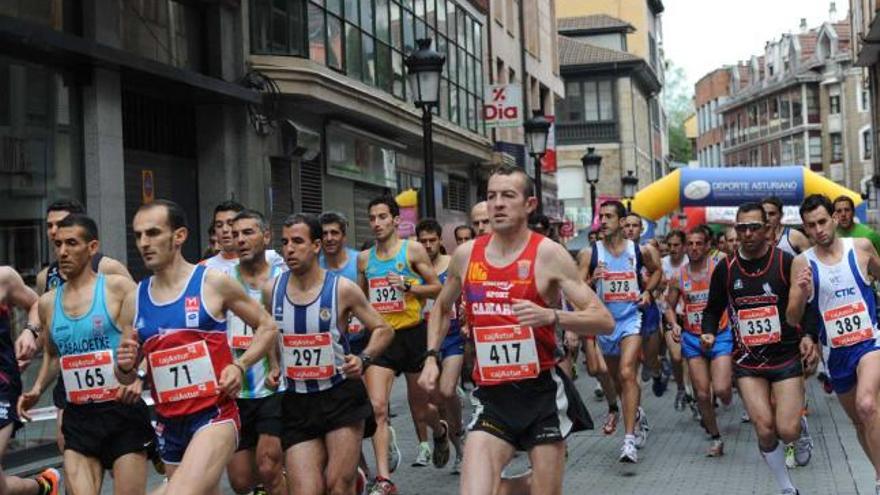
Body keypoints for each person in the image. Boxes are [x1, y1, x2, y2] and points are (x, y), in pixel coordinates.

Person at [418, 164, 613, 495]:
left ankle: (532, 482)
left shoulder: (548, 254)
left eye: (508, 196)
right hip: (492, 396)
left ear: (529, 205)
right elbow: (441, 307)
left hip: (541, 395)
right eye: (491, 196)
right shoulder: (466, 256)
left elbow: (602, 318)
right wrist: (431, 357)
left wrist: (550, 316)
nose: (497, 204)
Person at [115, 199, 279, 495]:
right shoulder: (134, 299)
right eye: (138, 235)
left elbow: (267, 326)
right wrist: (125, 367)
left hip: (214, 415)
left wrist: (239, 366)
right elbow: (126, 377)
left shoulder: (212, 282)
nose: (143, 243)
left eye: (153, 233)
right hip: (169, 423)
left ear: (179, 236)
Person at [19, 214, 152, 495]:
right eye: (58, 244)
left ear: (92, 247)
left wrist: (140, 375)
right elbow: (54, 356)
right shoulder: (47, 303)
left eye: (71, 243)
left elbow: (150, 336)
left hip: (121, 412)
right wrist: (37, 388)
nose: (63, 251)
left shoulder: (118, 288)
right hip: (78, 415)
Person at [270, 213, 393, 495]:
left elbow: (383, 329)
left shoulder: (342, 289)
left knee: (337, 485)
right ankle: (357, 480)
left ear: (315, 246)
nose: (289, 248)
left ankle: (354, 480)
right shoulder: (272, 290)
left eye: (297, 241)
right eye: (285, 242)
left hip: (340, 396)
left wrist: (363, 359)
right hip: (297, 401)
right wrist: (275, 365)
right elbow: (268, 333)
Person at [702, 202, 818, 495]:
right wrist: (708, 331)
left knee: (787, 429)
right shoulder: (725, 269)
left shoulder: (785, 263)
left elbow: (808, 307)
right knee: (765, 428)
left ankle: (799, 430)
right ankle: (785, 486)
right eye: (742, 228)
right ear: (736, 231)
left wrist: (809, 337)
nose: (748, 233)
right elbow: (712, 308)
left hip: (786, 355)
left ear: (767, 230)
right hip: (747, 361)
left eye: (755, 227)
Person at [788, 194, 880, 493]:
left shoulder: (862, 248)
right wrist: (801, 292)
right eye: (811, 225)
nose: (819, 230)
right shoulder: (803, 263)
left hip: (870, 343)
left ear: (835, 219)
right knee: (859, 423)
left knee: (867, 405)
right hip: (836, 354)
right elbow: (792, 317)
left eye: (823, 221)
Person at [357, 196, 446, 495]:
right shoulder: (365, 259)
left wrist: (408, 286)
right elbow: (359, 299)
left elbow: (437, 288)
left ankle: (440, 431)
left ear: (396, 220)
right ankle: (384, 479)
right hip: (382, 339)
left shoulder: (413, 250)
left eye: (383, 217)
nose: (377, 223)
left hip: (412, 335)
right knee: (378, 408)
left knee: (423, 411)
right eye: (372, 218)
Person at [581, 202, 661, 463]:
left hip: (631, 319)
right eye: (600, 217)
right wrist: (592, 279)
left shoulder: (638, 249)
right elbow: (577, 287)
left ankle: (628, 441)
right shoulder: (590, 253)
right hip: (605, 323)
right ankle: (636, 413)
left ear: (621, 220)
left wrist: (648, 291)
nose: (602, 221)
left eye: (609, 216)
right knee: (616, 381)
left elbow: (658, 270)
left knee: (628, 372)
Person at [224, 210, 286, 495]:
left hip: (276, 387)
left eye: (248, 232)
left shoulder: (284, 275)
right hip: (235, 392)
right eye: (235, 234)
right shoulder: (222, 282)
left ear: (266, 235)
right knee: (240, 481)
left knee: (268, 466)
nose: (240, 239)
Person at [664, 226, 733, 457]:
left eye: (699, 243)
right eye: (690, 244)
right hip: (692, 339)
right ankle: (715, 437)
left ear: (707, 246)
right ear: (685, 247)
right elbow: (669, 307)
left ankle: (727, 394)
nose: (694, 248)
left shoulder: (718, 269)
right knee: (702, 394)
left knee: (722, 390)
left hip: (721, 335)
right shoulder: (679, 277)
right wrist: (674, 324)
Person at [0, 266, 61, 495]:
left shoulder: (4, 277)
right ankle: (43, 487)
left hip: (2, 388)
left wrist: (30, 332)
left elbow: (37, 305)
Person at [416, 219, 466, 473]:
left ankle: (460, 443)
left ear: (440, 240)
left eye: (432, 240)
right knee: (428, 405)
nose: (427, 245)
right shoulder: (414, 271)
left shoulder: (453, 265)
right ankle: (440, 432)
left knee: (447, 392)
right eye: (422, 241)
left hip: (453, 337)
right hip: (424, 340)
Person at [622, 213, 666, 398]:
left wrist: (648, 290)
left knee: (650, 359)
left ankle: (657, 373)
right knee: (629, 368)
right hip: (624, 312)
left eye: (635, 225)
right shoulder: (614, 252)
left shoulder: (648, 250)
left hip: (646, 309)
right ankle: (636, 415)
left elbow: (661, 278)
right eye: (627, 225)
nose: (631, 229)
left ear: (641, 229)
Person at [201, 201, 284, 273]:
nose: (224, 230)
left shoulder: (271, 258)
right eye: (219, 225)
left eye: (230, 224)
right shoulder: (204, 267)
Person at [660, 230, 689, 411]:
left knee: (691, 359)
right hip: (669, 315)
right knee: (677, 357)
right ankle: (681, 388)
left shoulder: (690, 262)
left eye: (676, 245)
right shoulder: (661, 264)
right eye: (669, 245)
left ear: (684, 246)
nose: (672, 249)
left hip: (691, 316)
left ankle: (691, 391)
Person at [834, 195, 880, 259]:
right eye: (839, 211)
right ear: (834, 214)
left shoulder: (869, 234)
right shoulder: (830, 236)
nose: (843, 214)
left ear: (853, 212)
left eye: (847, 210)